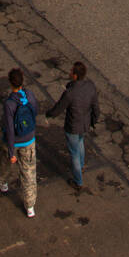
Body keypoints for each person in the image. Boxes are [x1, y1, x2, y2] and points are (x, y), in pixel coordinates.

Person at [47, 61, 99, 190]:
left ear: (75, 75)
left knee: (74, 152)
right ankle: (81, 166)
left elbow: (59, 108)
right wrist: (93, 121)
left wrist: (49, 114)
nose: (69, 73)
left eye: (71, 71)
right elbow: (96, 107)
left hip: (73, 126)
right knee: (80, 143)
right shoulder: (90, 87)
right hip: (85, 124)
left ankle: (78, 181)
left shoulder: (70, 92)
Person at [0, 68, 38, 217]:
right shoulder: (29, 95)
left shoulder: (9, 103)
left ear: (10, 82)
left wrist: (12, 151)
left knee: (5, 163)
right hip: (29, 139)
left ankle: (2, 182)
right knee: (28, 172)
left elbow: (10, 129)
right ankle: (30, 206)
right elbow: (35, 111)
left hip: (14, 141)